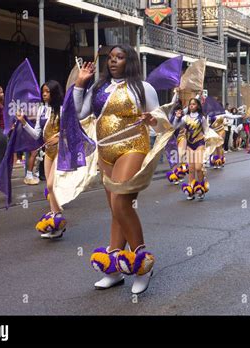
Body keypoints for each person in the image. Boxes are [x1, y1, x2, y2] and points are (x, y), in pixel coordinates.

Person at [74, 44, 167, 294]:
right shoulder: (98, 87)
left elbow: (161, 125)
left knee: (121, 204)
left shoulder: (142, 87)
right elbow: (80, 113)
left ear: (130, 61)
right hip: (105, 150)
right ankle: (114, 268)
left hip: (133, 147)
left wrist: (152, 120)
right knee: (114, 209)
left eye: (119, 57)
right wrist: (80, 84)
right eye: (111, 57)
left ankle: (141, 265)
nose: (113, 61)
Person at [17, 80, 66, 239]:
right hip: (49, 153)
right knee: (50, 188)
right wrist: (24, 122)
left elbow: (71, 131)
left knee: (51, 185)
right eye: (43, 91)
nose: (44, 94)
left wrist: (59, 137)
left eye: (47, 91)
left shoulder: (63, 109)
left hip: (61, 152)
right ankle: (56, 223)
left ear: (54, 93)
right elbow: (37, 135)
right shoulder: (41, 110)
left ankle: (57, 219)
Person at [173, 97, 210, 200]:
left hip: (200, 143)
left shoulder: (202, 118)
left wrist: (208, 141)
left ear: (197, 105)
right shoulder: (185, 118)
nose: (191, 106)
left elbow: (206, 130)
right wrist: (177, 117)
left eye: (193, 104)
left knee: (198, 168)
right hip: (190, 144)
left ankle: (201, 187)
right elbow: (175, 127)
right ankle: (191, 189)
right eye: (190, 104)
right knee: (191, 169)